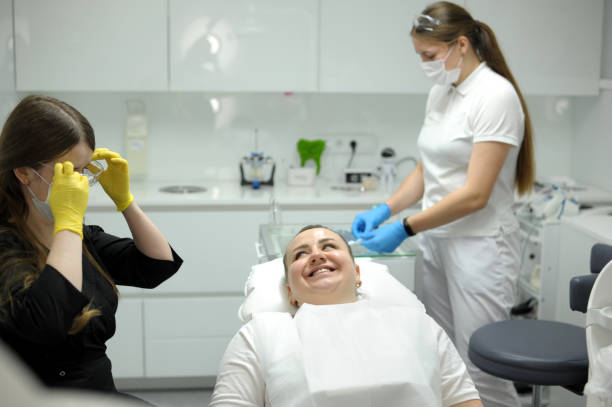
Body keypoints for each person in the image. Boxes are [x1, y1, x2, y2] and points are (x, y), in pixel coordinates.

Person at [351, 2, 535, 406]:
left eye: (429, 55)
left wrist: (404, 227)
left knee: (483, 368)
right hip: (437, 240)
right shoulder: (442, 92)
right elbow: (426, 169)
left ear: (462, 45)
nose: (425, 64)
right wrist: (387, 208)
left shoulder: (494, 96)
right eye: (420, 56)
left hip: (480, 246)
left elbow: (475, 194)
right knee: (445, 359)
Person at [0, 95, 182, 394]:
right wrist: (68, 221)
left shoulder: (80, 237)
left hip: (99, 392)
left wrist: (125, 201)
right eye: (67, 173)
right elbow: (49, 319)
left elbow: (157, 266)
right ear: (23, 173)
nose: (80, 184)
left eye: (83, 171)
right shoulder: (8, 245)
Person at [210, 225, 483, 407]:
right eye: (300, 255)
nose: (316, 255)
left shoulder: (418, 324)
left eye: (328, 247)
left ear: (358, 274)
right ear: (290, 292)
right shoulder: (261, 334)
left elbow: (464, 401)